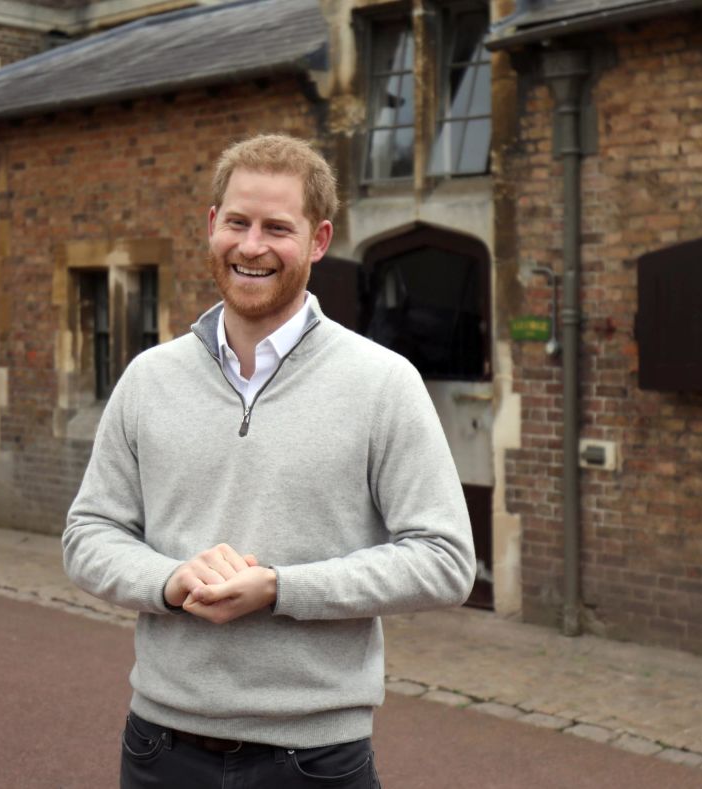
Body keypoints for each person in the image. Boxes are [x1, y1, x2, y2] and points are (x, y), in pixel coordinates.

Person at [62, 133, 475, 788]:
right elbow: (88, 535)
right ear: (211, 226)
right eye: (238, 222)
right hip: (159, 748)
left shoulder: (382, 383)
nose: (252, 246)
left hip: (313, 758)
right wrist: (171, 579)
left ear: (317, 240)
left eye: (277, 227)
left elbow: (446, 560)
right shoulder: (149, 378)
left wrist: (283, 587)